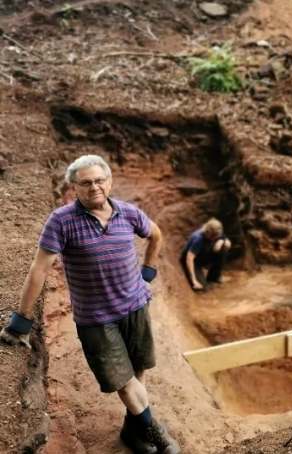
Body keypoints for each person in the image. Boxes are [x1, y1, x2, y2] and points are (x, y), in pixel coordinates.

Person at [0, 154, 180, 454]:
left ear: (108, 182)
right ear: (74, 187)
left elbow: (156, 233)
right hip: (97, 318)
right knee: (124, 382)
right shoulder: (61, 221)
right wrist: (22, 321)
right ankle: (155, 431)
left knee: (137, 371)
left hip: (136, 305)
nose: (94, 187)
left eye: (99, 180)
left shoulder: (127, 212)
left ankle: (132, 432)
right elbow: (39, 269)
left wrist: (149, 269)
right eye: (85, 183)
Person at [180, 218, 230, 292]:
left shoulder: (216, 232)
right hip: (194, 262)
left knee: (223, 249)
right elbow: (189, 258)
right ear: (209, 234)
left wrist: (222, 241)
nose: (217, 238)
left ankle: (213, 277)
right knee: (203, 290)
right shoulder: (198, 239)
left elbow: (228, 244)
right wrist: (193, 280)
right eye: (215, 237)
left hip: (203, 255)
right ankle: (199, 276)